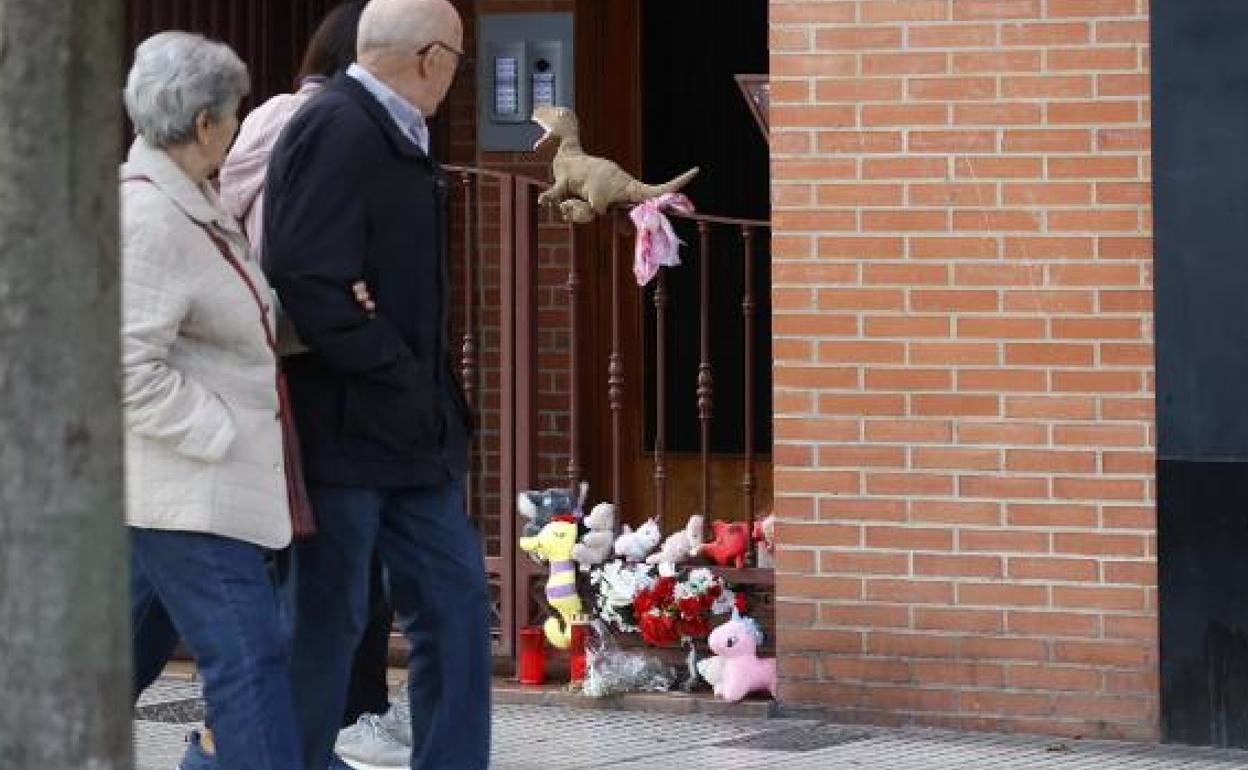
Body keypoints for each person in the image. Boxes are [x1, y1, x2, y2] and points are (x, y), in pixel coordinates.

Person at [265, 0, 489, 768]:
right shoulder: (338, 126)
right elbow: (303, 270)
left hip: (410, 434)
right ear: (431, 59)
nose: (455, 79)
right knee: (325, 622)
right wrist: (386, 360)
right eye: (458, 61)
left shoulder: (399, 131)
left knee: (456, 608)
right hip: (348, 432)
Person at [121, 30, 301, 770]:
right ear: (204, 123)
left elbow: (234, 321)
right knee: (250, 666)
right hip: (188, 491)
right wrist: (219, 431)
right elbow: (122, 367)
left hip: (175, 493)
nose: (238, 124)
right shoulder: (148, 218)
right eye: (233, 113)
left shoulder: (193, 200)